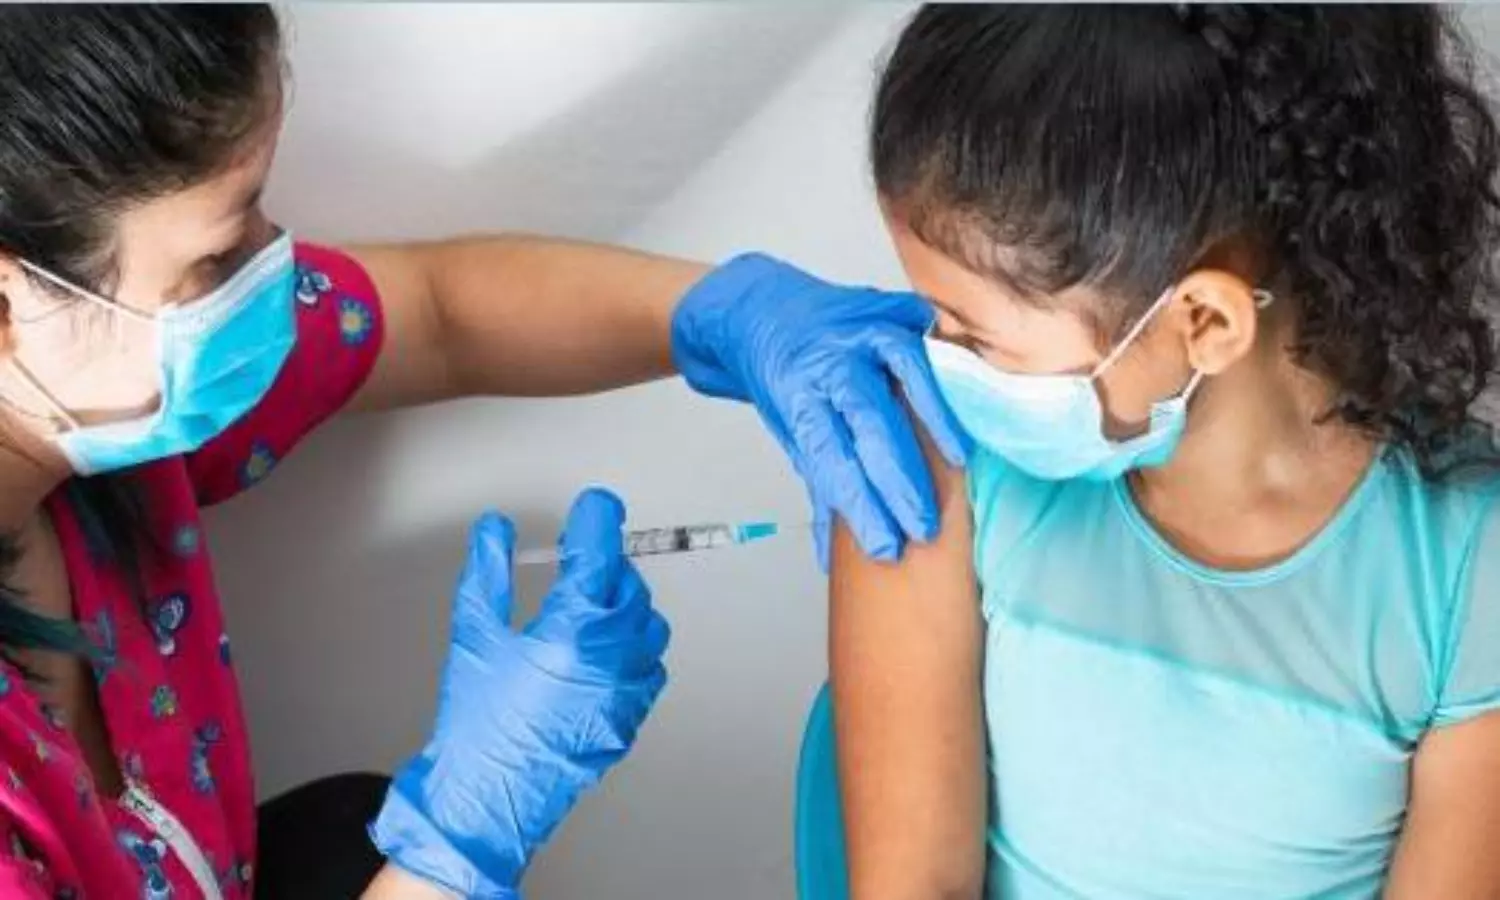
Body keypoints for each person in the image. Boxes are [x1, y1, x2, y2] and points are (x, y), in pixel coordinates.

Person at [0, 5, 968, 900]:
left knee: (345, 833)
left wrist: (726, 314)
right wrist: (461, 837)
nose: (275, 269)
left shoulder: (97, 403)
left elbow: (441, 314)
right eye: (216, 258)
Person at [821, 5, 1500, 899]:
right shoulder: (930, 463)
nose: (937, 363)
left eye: (976, 336)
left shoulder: (1468, 564)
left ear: (1205, 321)